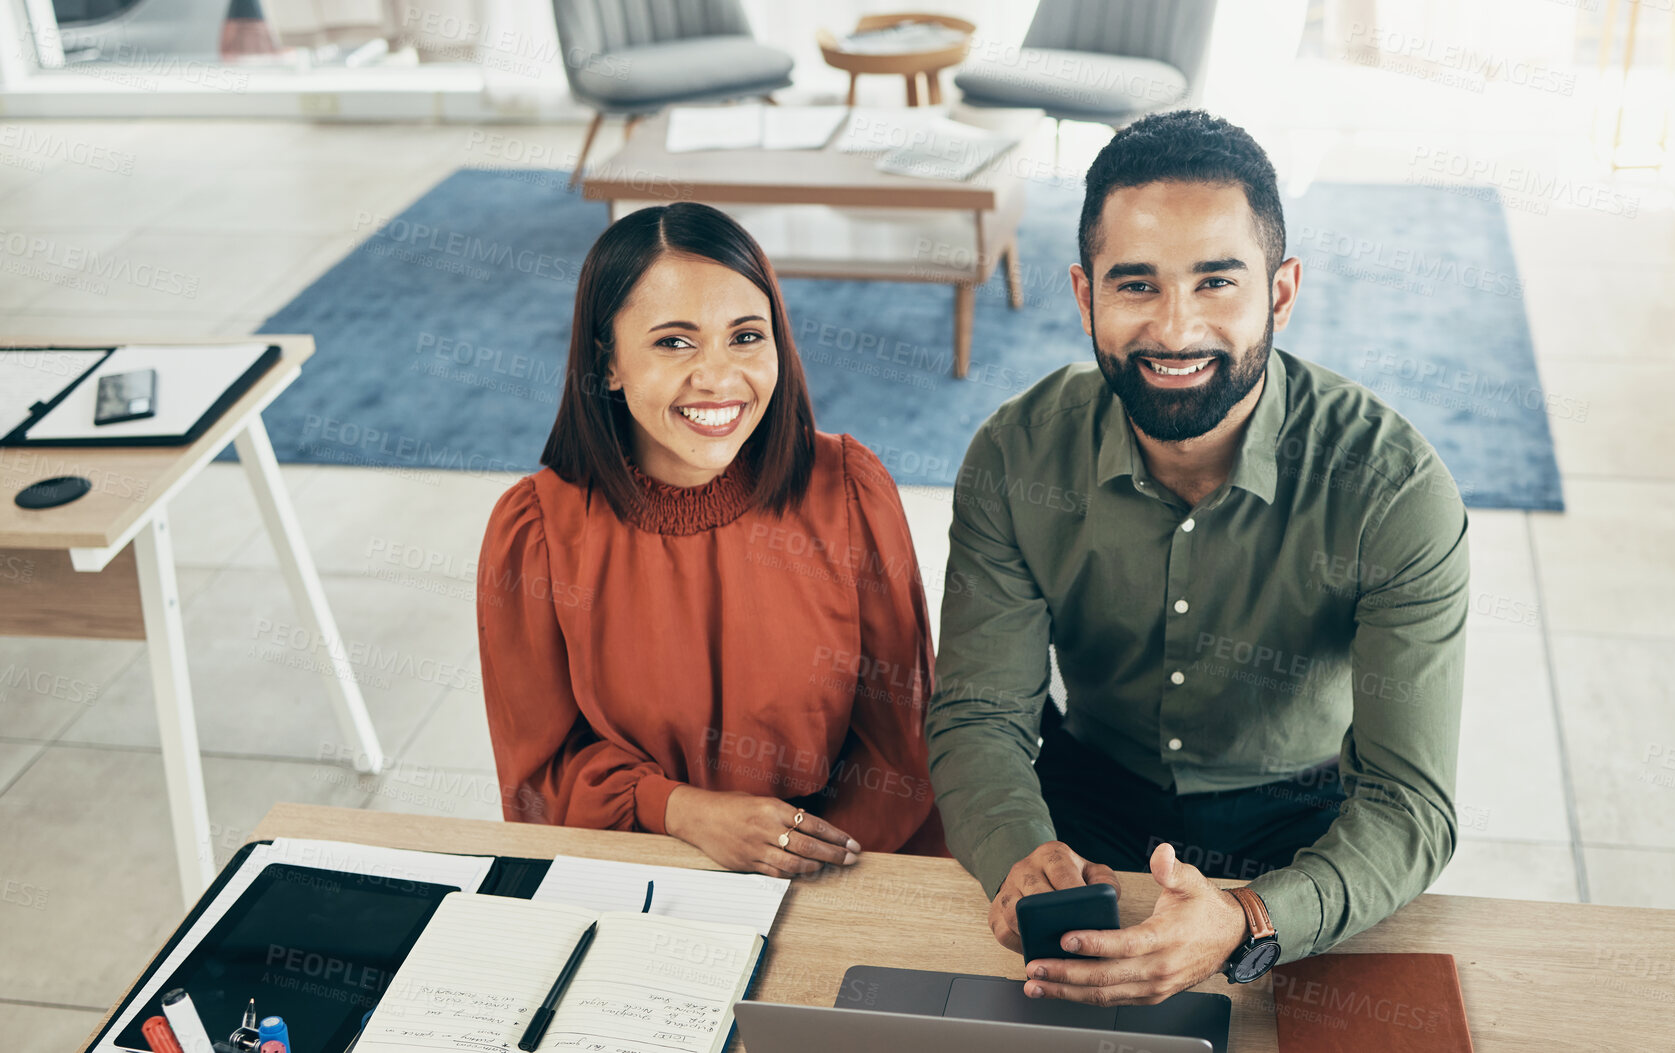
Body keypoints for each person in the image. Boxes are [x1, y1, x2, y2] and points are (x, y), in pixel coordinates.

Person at [926, 110, 1469, 1005]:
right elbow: (980, 714)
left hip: (1302, 821)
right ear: (1083, 294)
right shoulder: (1016, 455)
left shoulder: (1393, 489)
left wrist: (1252, 920)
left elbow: (1412, 803)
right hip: (1085, 803)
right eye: (1135, 285)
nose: (1175, 329)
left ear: (1281, 292)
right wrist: (1019, 854)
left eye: (1216, 283)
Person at [478, 201, 946, 876]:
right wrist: (682, 811)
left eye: (746, 337)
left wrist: (791, 860)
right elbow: (539, 776)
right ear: (608, 363)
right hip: (640, 872)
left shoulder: (851, 491)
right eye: (674, 341)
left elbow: (902, 745)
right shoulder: (535, 534)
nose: (719, 378)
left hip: (841, 867)